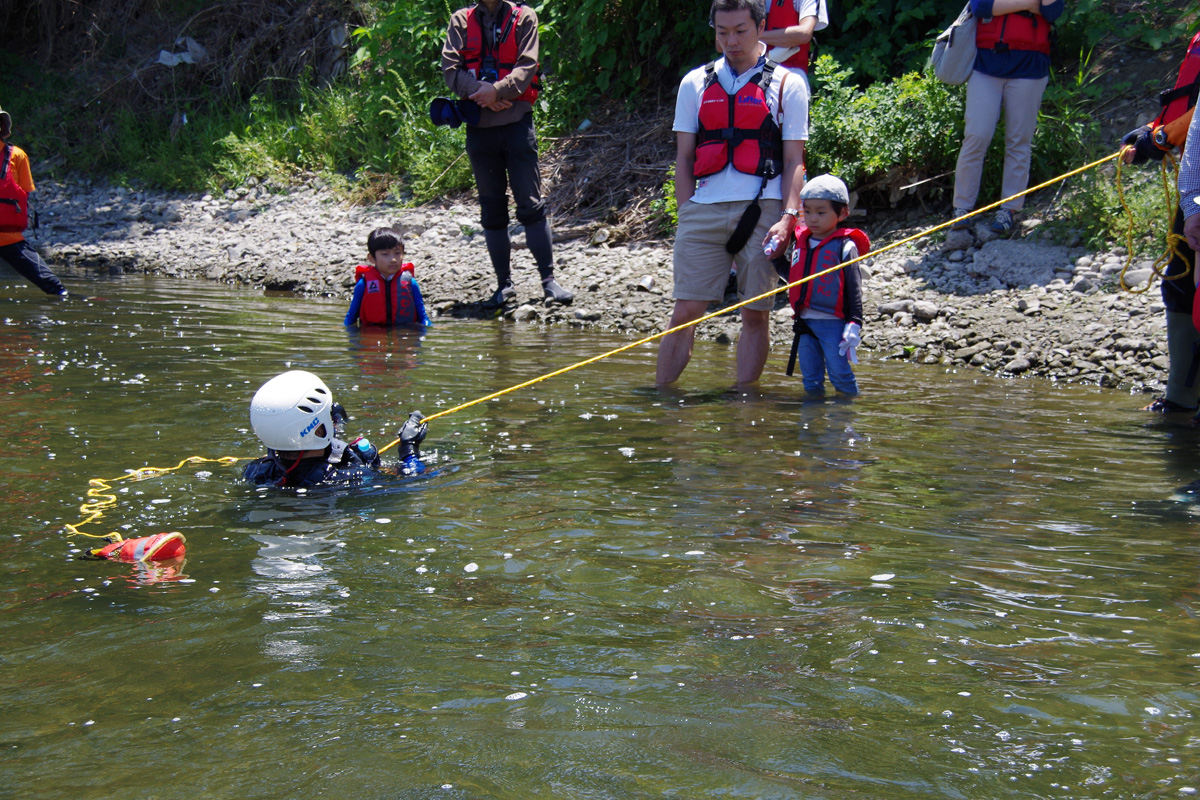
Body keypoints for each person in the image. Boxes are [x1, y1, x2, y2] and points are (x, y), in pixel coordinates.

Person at [656, 0, 808, 387]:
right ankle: (661, 400)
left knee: (755, 312)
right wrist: (686, 210)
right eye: (722, 32)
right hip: (702, 211)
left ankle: (743, 403)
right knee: (685, 310)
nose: (731, 41)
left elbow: (795, 161)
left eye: (740, 30)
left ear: (760, 27)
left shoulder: (788, 83)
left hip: (764, 209)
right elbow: (685, 156)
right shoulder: (695, 82)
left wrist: (789, 217)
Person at [440, 0, 573, 307]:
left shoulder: (525, 16)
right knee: (492, 207)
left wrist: (496, 91)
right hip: (479, 130)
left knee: (530, 203)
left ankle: (549, 282)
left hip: (516, 125)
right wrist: (484, 92)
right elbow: (451, 69)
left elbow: (527, 67)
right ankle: (504, 286)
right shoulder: (460, 20)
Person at [1121, 32, 1200, 415]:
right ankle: (1182, 400)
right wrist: (1155, 132)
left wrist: (1162, 137)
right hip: (1196, 188)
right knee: (1181, 286)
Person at [949, 0, 1064, 236]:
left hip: (1030, 68)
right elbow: (980, 7)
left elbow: (1052, 12)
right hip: (986, 65)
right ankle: (962, 209)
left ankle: (1009, 210)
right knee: (976, 136)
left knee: (1019, 140)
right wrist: (1030, 4)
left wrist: (1005, 4)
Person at [242, 370, 427, 488]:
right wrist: (409, 448)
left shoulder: (255, 471)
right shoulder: (349, 478)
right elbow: (412, 480)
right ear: (319, 431)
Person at [785, 174, 868, 395]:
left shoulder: (845, 246)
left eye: (821, 212)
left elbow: (854, 286)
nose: (813, 219)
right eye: (808, 212)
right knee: (810, 378)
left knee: (839, 373)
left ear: (842, 213)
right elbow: (793, 277)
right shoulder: (800, 244)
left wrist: (855, 322)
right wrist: (773, 258)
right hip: (805, 322)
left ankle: (847, 420)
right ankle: (812, 422)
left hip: (833, 324)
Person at [0, 105, 67, 296]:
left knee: (56, 289)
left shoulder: (18, 156)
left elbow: (23, 194)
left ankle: (82, 301)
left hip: (8, 238)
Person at [344, 227, 432, 328]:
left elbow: (423, 317)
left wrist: (430, 328)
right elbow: (351, 317)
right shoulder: (363, 284)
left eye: (397, 253)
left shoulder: (411, 284)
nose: (393, 259)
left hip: (405, 334)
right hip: (371, 335)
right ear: (372, 258)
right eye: (385, 254)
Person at [760, 0, 829, 87]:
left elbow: (804, 34)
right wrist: (768, 58)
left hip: (792, 80)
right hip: (749, 75)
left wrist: (751, 37)